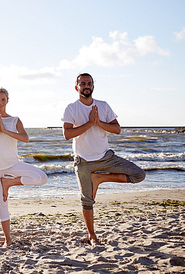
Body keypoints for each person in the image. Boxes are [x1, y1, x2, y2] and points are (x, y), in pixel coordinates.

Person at [62, 73, 146, 246]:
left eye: (89, 83)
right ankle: (92, 235)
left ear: (93, 86)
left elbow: (117, 129)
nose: (86, 85)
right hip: (83, 162)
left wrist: (98, 122)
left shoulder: (103, 105)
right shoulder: (71, 108)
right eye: (82, 83)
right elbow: (67, 134)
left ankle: (100, 178)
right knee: (87, 201)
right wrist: (89, 124)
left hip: (106, 158)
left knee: (139, 175)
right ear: (76, 87)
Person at [0, 88, 47, 246]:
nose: (0, 103)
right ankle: (8, 239)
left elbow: (25, 138)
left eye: (3, 100)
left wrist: (5, 131)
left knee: (41, 178)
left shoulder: (15, 120)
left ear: (7, 101)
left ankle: (8, 182)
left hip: (12, 163)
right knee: (2, 203)